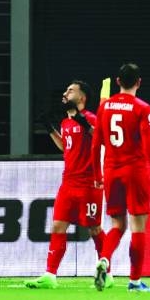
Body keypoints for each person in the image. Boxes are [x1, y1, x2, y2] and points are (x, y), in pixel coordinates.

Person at [92, 63, 150, 293]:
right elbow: (148, 146)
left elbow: (96, 145)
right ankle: (135, 281)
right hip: (134, 171)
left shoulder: (104, 107)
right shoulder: (143, 108)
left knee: (117, 225)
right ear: (139, 82)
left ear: (118, 82)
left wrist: (97, 176)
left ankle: (104, 259)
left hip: (112, 171)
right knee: (138, 227)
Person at [25, 80, 105, 289]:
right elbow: (65, 147)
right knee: (58, 226)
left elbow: (100, 137)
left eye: (70, 90)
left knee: (94, 229)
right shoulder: (66, 123)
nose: (65, 92)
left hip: (89, 184)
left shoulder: (90, 118)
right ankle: (50, 275)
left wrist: (84, 123)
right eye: (65, 89)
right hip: (68, 183)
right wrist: (50, 129)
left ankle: (109, 272)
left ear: (82, 98)